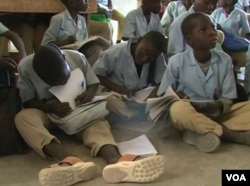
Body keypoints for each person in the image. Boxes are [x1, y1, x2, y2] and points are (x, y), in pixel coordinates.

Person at [15, 44, 165, 186]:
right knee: (23, 118)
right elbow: (27, 101)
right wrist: (49, 107)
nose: (62, 84)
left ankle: (118, 162)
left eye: (64, 78)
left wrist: (89, 94)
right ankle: (71, 162)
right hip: (47, 110)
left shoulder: (77, 57)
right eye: (55, 82)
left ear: (64, 59)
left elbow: (93, 83)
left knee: (97, 122)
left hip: (77, 109)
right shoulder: (25, 67)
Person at [158, 12, 250, 153]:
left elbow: (228, 97)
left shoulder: (224, 59)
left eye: (213, 28)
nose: (212, 33)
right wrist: (176, 95)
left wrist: (218, 104)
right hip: (190, 110)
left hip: (217, 112)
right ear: (190, 40)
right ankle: (227, 134)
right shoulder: (176, 61)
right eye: (203, 30)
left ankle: (197, 131)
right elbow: (164, 94)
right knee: (177, 110)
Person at [93, 31, 167, 120]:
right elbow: (95, 75)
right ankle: (136, 116)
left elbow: (161, 82)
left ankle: (139, 113)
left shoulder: (158, 57)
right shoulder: (115, 52)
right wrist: (116, 87)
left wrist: (148, 101)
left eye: (151, 58)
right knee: (110, 101)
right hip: (115, 93)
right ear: (139, 40)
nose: (145, 59)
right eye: (144, 52)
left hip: (139, 95)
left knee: (164, 96)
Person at [41, 0, 110, 66]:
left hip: (78, 53)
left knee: (96, 49)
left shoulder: (82, 20)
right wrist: (65, 42)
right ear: (72, 3)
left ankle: (88, 73)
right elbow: (45, 44)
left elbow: (84, 40)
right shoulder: (58, 19)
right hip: (62, 55)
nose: (87, 1)